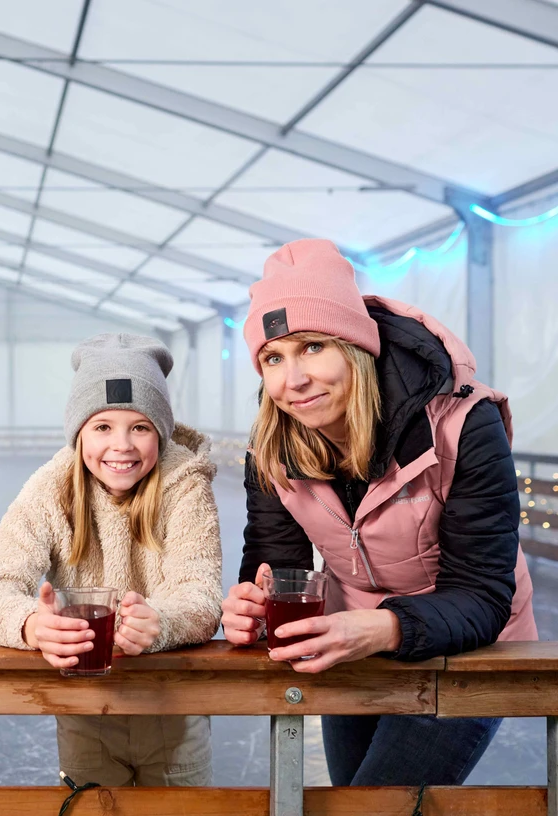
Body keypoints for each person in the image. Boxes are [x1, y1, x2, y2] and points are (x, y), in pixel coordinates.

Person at [221, 239, 537, 786]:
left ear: (356, 346)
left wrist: (381, 627)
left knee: (379, 800)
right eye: (273, 358)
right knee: (350, 796)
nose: (292, 380)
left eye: (313, 347)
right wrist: (250, 604)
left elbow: (484, 594)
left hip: (469, 643)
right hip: (351, 635)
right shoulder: (272, 446)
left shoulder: (462, 424)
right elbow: (274, 565)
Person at [0, 333, 222, 787]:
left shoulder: (184, 485)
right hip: (84, 713)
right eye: (102, 426)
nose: (121, 445)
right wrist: (31, 623)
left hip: (172, 713)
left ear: (160, 432)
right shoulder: (50, 488)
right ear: (79, 432)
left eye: (140, 426)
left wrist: (159, 621)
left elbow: (200, 596)